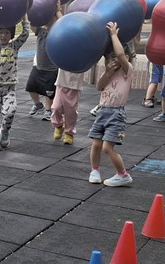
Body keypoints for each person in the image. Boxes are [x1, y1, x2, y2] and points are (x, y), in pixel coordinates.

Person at [88, 21, 134, 187]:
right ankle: (94, 171)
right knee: (96, 144)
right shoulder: (109, 73)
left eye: (115, 57)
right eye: (109, 58)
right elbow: (99, 87)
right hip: (102, 112)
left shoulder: (127, 71)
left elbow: (120, 55)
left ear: (126, 58)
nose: (112, 60)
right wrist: (107, 72)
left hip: (116, 114)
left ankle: (123, 175)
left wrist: (114, 35)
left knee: (107, 148)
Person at [0, 17, 30, 150]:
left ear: (11, 34)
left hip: (9, 87)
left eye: (6, 32)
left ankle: (5, 131)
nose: (3, 36)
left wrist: (24, 17)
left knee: (10, 111)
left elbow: (25, 34)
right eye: (0, 32)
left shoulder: (14, 46)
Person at [25, 1, 61, 120]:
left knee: (49, 92)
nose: (48, 20)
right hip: (38, 66)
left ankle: (48, 109)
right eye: (47, 18)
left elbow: (63, 23)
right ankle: (37, 104)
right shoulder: (40, 31)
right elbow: (31, 23)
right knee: (30, 87)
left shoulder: (58, 32)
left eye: (51, 18)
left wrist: (58, 11)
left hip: (52, 68)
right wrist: (27, 10)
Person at [50, 68, 83, 144]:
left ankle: (69, 133)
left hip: (75, 85)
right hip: (61, 83)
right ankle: (58, 125)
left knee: (71, 111)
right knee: (56, 107)